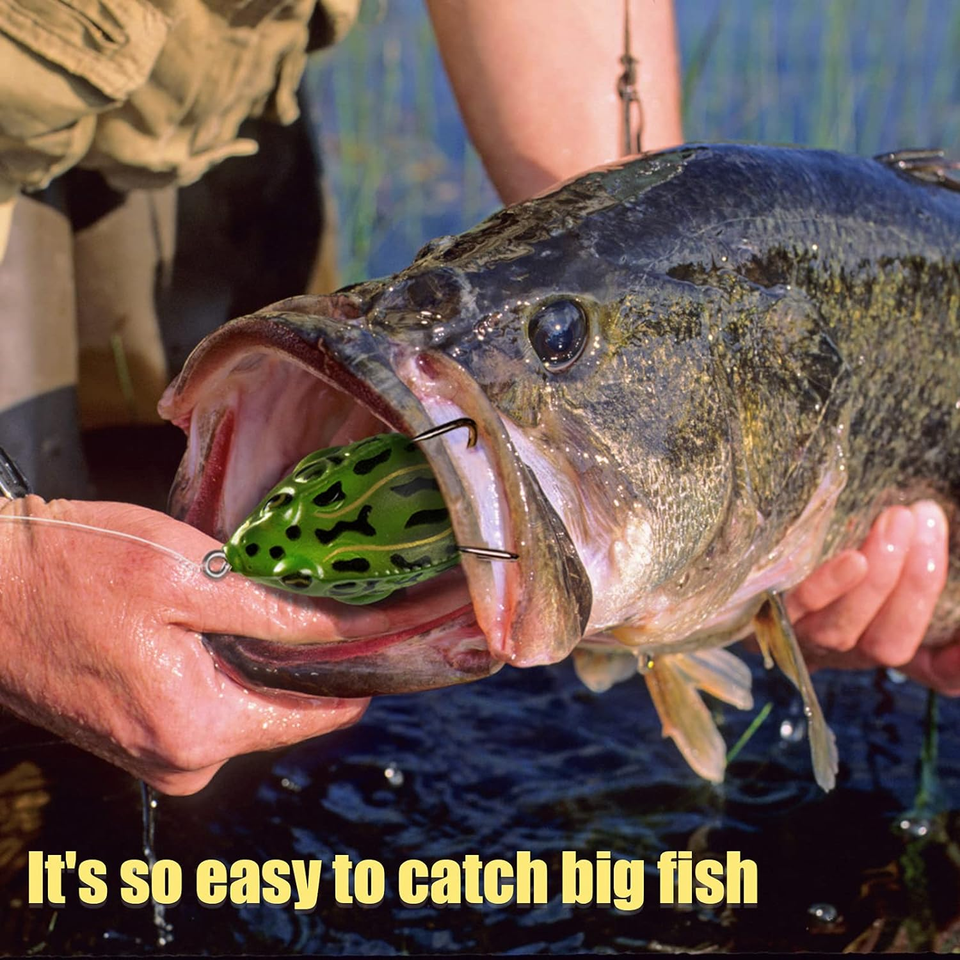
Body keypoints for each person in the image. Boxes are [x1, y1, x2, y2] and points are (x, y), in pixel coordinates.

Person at [0, 0, 954, 797]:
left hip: (175, 77)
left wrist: (712, 576)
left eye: (560, 341)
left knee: (189, 694)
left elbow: (629, 246)